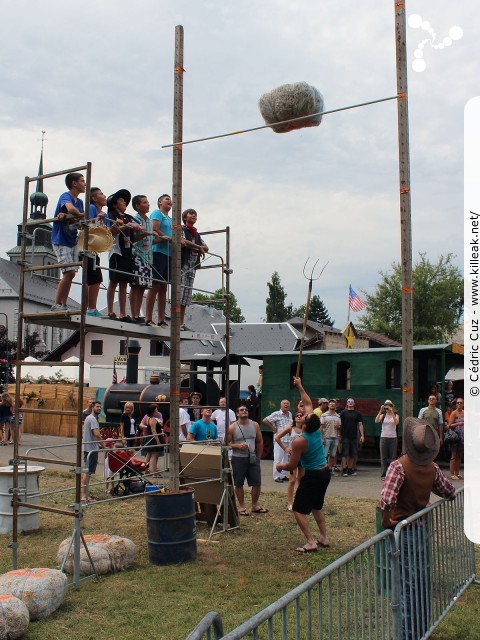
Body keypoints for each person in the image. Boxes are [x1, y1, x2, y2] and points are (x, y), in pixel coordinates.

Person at [378, 417, 455, 640]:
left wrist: (385, 521)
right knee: (420, 581)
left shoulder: (398, 467)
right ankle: (422, 628)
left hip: (403, 529)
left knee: (408, 584)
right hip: (421, 528)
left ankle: (409, 634)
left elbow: (387, 500)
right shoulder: (432, 468)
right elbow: (448, 491)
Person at [277, 377, 330, 553]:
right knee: (316, 506)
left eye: (304, 417)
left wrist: (280, 467)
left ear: (305, 424)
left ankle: (310, 542)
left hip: (313, 475)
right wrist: (300, 386)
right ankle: (324, 537)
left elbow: (292, 466)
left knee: (299, 510)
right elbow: (307, 402)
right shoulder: (315, 430)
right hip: (325, 473)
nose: (304, 414)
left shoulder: (300, 441)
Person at [51, 172, 85, 311]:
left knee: (71, 273)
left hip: (72, 240)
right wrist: (75, 214)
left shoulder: (81, 202)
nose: (84, 184)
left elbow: (80, 219)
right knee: (69, 272)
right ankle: (57, 304)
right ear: (74, 183)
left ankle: (62, 304)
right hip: (61, 239)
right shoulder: (66, 196)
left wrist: (70, 215)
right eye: (82, 181)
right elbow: (72, 209)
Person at [228, 405, 267, 516]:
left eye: (246, 410)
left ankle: (255, 506)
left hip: (253, 458)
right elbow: (226, 443)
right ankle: (241, 507)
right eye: (241, 410)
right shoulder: (232, 427)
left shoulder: (255, 425)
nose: (244, 411)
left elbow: (260, 441)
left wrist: (258, 457)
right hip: (238, 458)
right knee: (239, 483)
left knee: (257, 482)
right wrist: (238, 446)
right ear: (237, 414)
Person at [106, 189, 136, 321]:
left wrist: (143, 233)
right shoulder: (111, 215)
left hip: (127, 251)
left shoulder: (128, 217)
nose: (124, 202)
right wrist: (126, 226)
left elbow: (132, 238)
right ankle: (111, 311)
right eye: (121, 200)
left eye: (125, 200)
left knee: (124, 282)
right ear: (114, 204)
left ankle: (123, 313)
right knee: (114, 281)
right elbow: (111, 231)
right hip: (116, 250)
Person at [145, 194, 172, 328]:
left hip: (168, 253)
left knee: (163, 287)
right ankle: (148, 317)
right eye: (167, 199)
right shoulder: (157, 213)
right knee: (155, 285)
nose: (170, 201)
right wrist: (166, 237)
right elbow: (154, 228)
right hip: (158, 251)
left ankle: (161, 319)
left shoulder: (171, 219)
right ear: (160, 202)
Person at [180, 208, 208, 329]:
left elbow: (206, 247)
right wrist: (198, 247)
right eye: (191, 214)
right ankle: (176, 322)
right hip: (183, 265)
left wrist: (198, 247)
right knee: (179, 295)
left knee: (186, 297)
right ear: (185, 217)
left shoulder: (196, 234)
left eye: (195, 214)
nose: (194, 216)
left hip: (192, 267)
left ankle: (181, 322)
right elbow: (184, 241)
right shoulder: (182, 229)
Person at [130, 195, 155, 323]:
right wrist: (145, 234)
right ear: (137, 206)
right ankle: (133, 313)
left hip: (148, 258)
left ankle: (138, 313)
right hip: (137, 255)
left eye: (148, 202)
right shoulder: (134, 219)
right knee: (135, 285)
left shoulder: (149, 222)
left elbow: (151, 239)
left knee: (143, 287)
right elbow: (131, 238)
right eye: (145, 202)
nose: (148, 204)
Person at [275, 411, 305, 510]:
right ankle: (290, 502)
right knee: (292, 480)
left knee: (301, 479)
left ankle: (299, 500)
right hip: (293, 456)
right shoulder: (290, 428)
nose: (299, 417)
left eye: (301, 415)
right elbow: (277, 437)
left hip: (304, 457)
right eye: (297, 415)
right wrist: (285, 448)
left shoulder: (305, 429)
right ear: (294, 418)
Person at [86, 187, 109, 316]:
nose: (104, 196)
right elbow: (88, 224)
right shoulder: (92, 208)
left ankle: (91, 308)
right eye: (101, 194)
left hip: (94, 249)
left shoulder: (101, 213)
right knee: (92, 278)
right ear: (95, 198)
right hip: (88, 246)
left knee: (95, 278)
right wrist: (97, 218)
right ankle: (90, 309)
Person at [263, 400, 292, 483]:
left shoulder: (289, 414)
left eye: (287, 404)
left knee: (285, 459)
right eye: (284, 403)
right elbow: (265, 420)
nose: (286, 405)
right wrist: (273, 428)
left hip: (287, 439)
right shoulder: (277, 414)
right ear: (281, 405)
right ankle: (276, 476)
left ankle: (283, 475)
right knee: (277, 458)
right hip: (279, 439)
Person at [81, 401, 104, 502]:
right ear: (92, 407)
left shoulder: (89, 418)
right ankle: (83, 495)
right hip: (90, 450)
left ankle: (85, 494)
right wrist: (103, 445)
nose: (99, 408)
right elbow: (97, 434)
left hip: (89, 448)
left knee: (88, 472)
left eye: (100, 407)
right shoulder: (92, 419)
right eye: (97, 407)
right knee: (87, 472)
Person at [375, 400, 399, 480]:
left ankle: (392, 474)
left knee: (393, 457)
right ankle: (383, 475)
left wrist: (392, 412)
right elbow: (376, 421)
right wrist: (380, 411)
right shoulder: (383, 415)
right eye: (386, 405)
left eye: (389, 405)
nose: (387, 407)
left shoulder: (396, 415)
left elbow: (396, 422)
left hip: (393, 438)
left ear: (392, 406)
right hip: (384, 437)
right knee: (383, 457)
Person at [339, 398, 364, 477]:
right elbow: (340, 425)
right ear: (346, 403)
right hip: (345, 435)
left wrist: (362, 435)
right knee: (344, 453)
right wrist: (339, 434)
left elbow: (360, 424)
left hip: (354, 436)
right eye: (349, 402)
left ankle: (350, 469)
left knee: (352, 453)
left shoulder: (358, 413)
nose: (350, 403)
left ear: (354, 404)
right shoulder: (343, 413)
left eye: (352, 402)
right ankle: (344, 469)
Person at [143, 403, 166, 477]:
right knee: (154, 456)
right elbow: (154, 432)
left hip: (149, 438)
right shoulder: (152, 419)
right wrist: (158, 442)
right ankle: (154, 473)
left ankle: (145, 470)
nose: (157, 410)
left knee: (149, 455)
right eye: (156, 409)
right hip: (153, 439)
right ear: (153, 411)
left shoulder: (148, 417)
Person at [320, 400, 341, 474]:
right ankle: (323, 469)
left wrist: (339, 432)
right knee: (324, 455)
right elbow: (321, 427)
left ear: (335, 406)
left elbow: (339, 427)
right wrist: (322, 437)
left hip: (335, 437)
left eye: (333, 404)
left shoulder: (338, 416)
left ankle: (329, 469)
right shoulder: (324, 415)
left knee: (332, 454)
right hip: (326, 437)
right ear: (328, 406)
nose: (332, 405)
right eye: (330, 404)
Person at [446, 397, 464, 480]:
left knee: (460, 455)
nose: (459, 404)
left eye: (461, 403)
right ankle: (452, 474)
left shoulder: (465, 413)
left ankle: (457, 473)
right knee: (454, 455)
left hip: (463, 436)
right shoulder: (454, 413)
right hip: (455, 436)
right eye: (458, 403)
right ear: (456, 404)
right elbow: (450, 425)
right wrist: (458, 424)